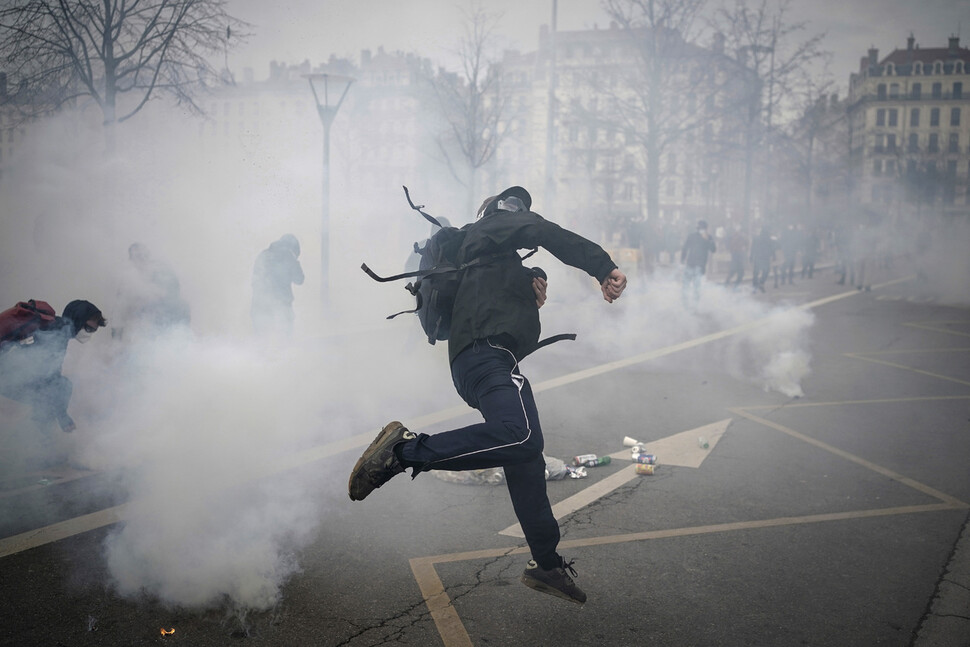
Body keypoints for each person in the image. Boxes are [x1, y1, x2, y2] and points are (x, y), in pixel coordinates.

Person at [347, 186, 627, 605]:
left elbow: (500, 282)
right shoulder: (495, 225)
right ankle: (402, 453)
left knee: (526, 455)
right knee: (519, 436)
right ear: (503, 208)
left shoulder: (487, 251)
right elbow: (540, 228)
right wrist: (602, 267)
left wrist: (535, 281)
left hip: (489, 358)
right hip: (486, 353)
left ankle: (547, 565)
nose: (523, 214)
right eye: (518, 206)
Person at [0, 300, 106, 434]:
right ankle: (41, 442)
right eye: (88, 328)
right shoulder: (56, 331)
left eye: (93, 331)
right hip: (7, 377)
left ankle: (39, 440)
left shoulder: (57, 329)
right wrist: (62, 415)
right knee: (54, 392)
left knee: (52, 391)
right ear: (78, 320)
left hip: (11, 373)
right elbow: (49, 376)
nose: (88, 334)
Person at [114, 243, 190, 341]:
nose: (142, 259)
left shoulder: (163, 271)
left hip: (169, 319)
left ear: (148, 256)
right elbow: (119, 309)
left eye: (144, 255)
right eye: (137, 256)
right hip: (145, 324)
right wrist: (116, 337)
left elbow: (175, 293)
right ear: (132, 260)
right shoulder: (129, 278)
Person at [251, 234, 305, 338]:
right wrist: (294, 260)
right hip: (281, 308)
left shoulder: (263, 255)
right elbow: (299, 279)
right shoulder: (288, 255)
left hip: (258, 306)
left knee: (262, 342)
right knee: (283, 342)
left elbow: (256, 279)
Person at [680, 219, 716, 307]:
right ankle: (685, 304)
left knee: (696, 287)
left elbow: (713, 249)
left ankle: (694, 305)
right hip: (691, 263)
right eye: (700, 228)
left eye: (703, 228)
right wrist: (682, 258)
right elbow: (685, 247)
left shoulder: (708, 237)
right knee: (686, 285)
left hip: (699, 265)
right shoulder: (692, 236)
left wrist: (708, 240)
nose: (701, 229)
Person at [724, 224, 748, 290]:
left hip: (737, 255)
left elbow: (745, 244)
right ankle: (732, 285)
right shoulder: (736, 237)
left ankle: (730, 284)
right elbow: (744, 244)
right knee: (737, 272)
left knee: (737, 272)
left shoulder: (738, 237)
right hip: (737, 255)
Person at [750, 226, 774, 293]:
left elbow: (753, 248)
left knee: (756, 273)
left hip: (759, 257)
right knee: (765, 272)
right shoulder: (768, 239)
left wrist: (751, 257)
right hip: (765, 258)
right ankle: (761, 283)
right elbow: (771, 249)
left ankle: (755, 286)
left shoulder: (757, 238)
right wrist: (773, 256)